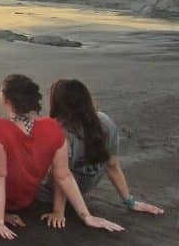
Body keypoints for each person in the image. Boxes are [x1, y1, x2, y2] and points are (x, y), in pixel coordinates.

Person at [0, 74, 125, 240]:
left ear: (5, 99)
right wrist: (86, 216)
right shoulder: (54, 127)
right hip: (24, 200)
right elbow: (64, 175)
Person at [38, 79, 163, 224]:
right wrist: (130, 201)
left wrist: (58, 211)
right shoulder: (105, 121)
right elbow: (112, 165)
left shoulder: (59, 130)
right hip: (82, 189)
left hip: (49, 193)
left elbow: (62, 175)